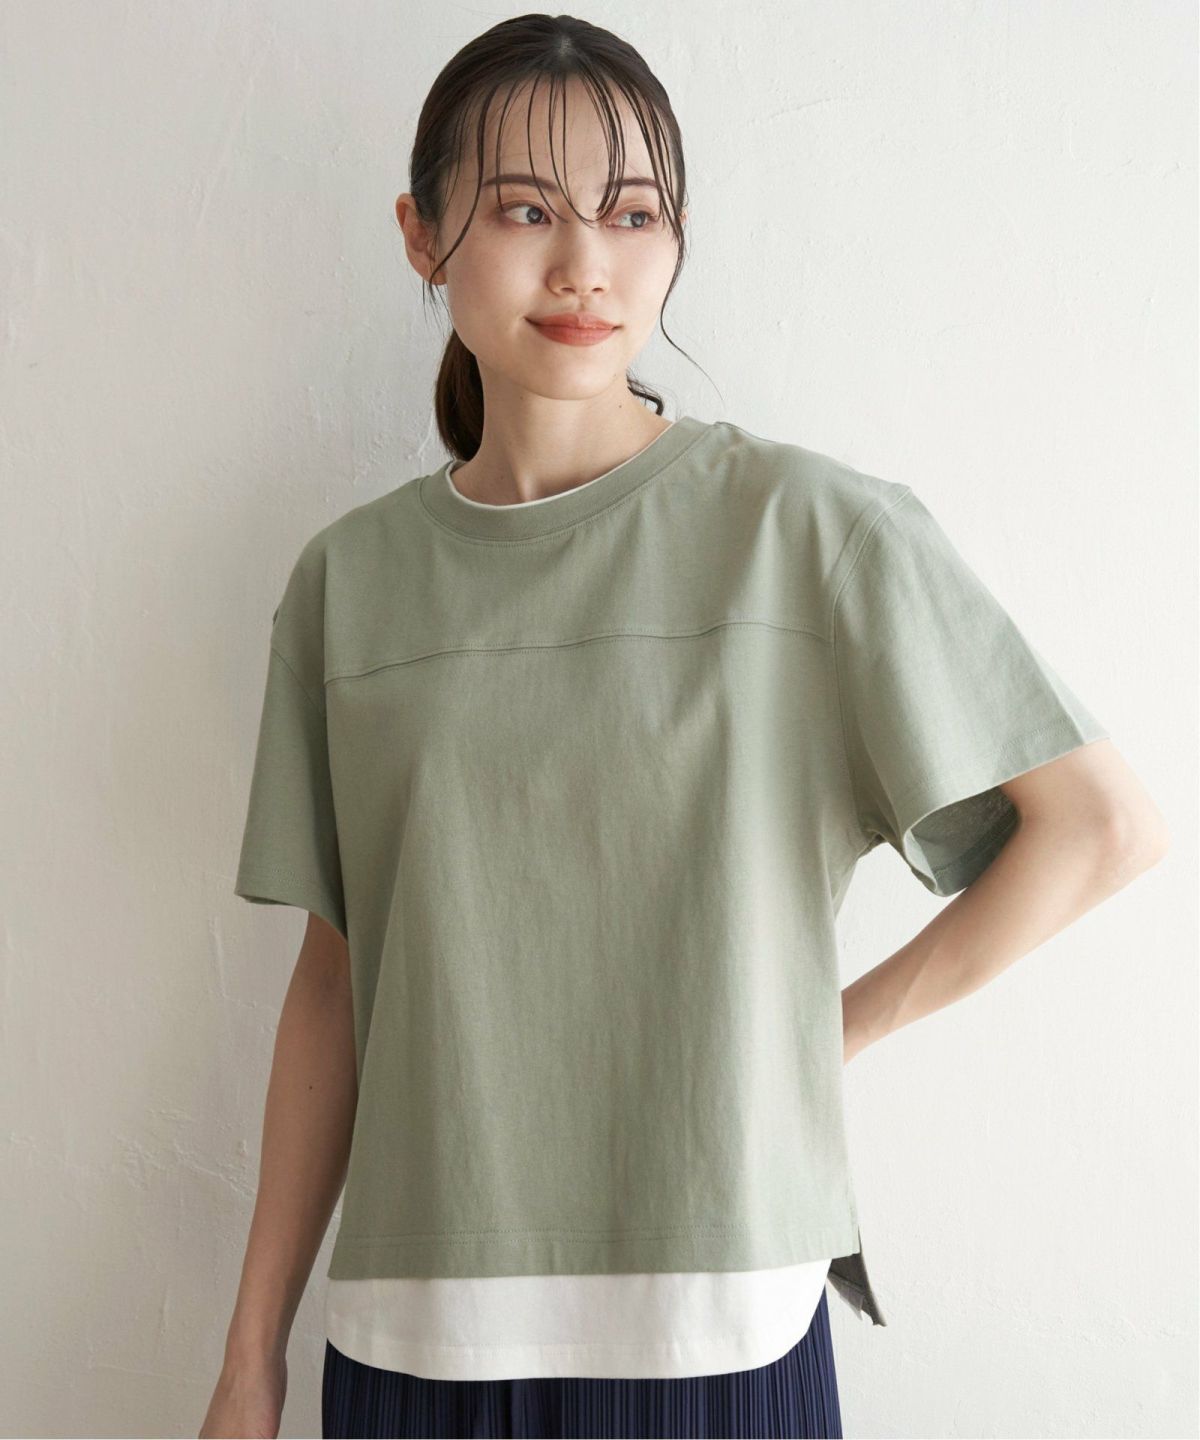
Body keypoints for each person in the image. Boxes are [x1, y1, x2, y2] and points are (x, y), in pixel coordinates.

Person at [200, 14, 1170, 1440]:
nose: (585, 265)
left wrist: (824, 1034)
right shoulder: (348, 586)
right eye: (523, 209)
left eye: (634, 214)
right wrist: (250, 1360)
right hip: (412, 1342)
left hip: (716, 1329)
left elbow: (1101, 828)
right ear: (421, 235)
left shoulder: (806, 534)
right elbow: (334, 988)